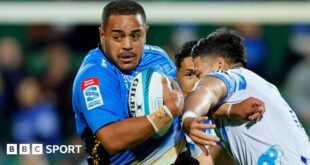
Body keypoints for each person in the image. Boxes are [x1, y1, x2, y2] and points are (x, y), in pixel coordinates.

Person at [72, 1, 187, 164]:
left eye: (135, 36)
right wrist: (167, 112)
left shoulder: (158, 58)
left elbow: (183, 101)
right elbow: (112, 140)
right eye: (118, 37)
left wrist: (190, 117)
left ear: (145, 32)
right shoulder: (93, 76)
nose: (127, 45)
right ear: (102, 35)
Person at [182, 28, 310, 165]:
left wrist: (189, 117)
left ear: (220, 65)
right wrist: (230, 110)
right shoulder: (256, 87)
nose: (196, 82)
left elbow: (205, 90)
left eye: (198, 74)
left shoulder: (234, 77)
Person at [175, 40, 263, 164]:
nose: (197, 84)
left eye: (199, 75)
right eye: (190, 74)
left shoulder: (226, 122)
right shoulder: (165, 116)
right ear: (175, 78)